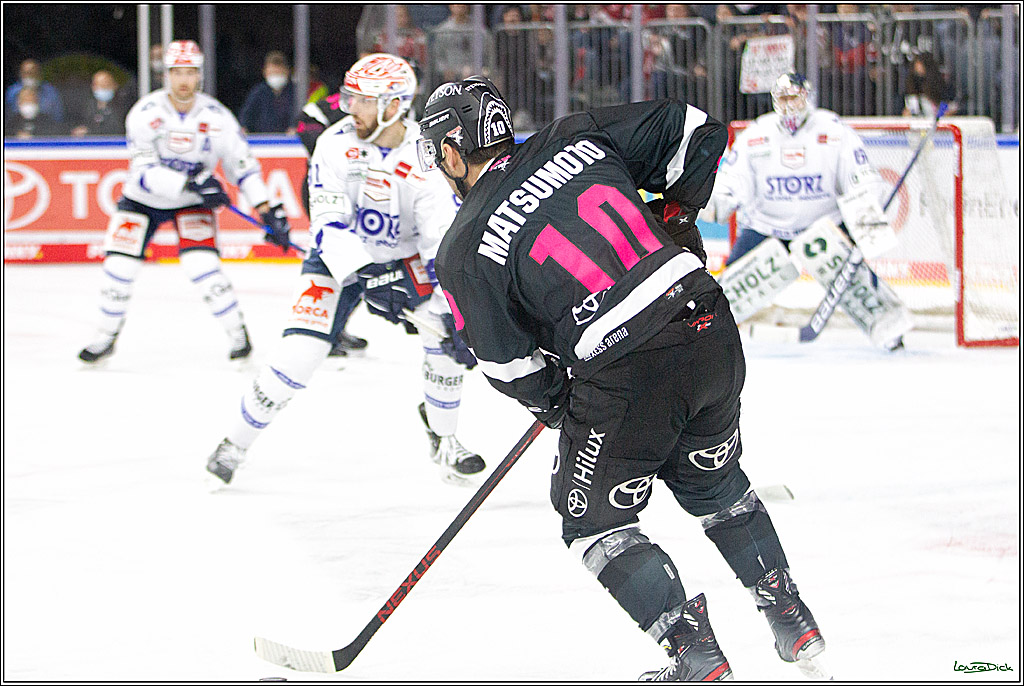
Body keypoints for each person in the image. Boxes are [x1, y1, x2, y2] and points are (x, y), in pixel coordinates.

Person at [419, 76, 828, 680]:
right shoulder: (571, 137)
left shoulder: (464, 248)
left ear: (453, 149)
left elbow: (508, 367)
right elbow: (699, 129)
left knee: (592, 521)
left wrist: (564, 404)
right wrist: (679, 211)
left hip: (627, 372)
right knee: (713, 484)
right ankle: (792, 617)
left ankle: (694, 654)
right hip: (709, 327)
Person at [205, 54, 486, 487]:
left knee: (444, 334)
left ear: (393, 106)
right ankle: (234, 444)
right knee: (299, 356)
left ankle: (446, 439)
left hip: (404, 259)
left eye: (360, 100)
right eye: (349, 97)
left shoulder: (426, 155)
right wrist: (370, 275)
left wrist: (455, 309)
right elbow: (329, 225)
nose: (347, 107)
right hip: (338, 261)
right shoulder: (334, 144)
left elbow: (440, 239)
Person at [77, 40, 291, 364]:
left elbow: (243, 165)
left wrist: (266, 209)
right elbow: (145, 172)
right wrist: (191, 182)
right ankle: (105, 336)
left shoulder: (218, 117)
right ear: (166, 74)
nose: (183, 80)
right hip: (142, 200)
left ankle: (238, 334)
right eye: (177, 72)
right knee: (118, 268)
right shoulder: (145, 114)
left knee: (203, 267)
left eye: (190, 72)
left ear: (200, 75)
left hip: (192, 201)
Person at [702, 73, 910, 350]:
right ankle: (707, 337)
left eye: (794, 97)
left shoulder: (834, 131)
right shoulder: (756, 135)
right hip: (767, 226)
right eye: (783, 98)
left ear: (806, 96)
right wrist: (718, 201)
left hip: (823, 226)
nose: (789, 104)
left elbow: (861, 176)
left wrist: (865, 213)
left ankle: (890, 330)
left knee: (855, 281)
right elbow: (733, 180)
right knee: (730, 291)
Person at [295, 87, 369, 359]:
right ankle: (326, 331)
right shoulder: (342, 101)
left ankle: (335, 328)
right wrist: (336, 149)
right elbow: (303, 124)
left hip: (363, 195)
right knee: (339, 263)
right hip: (327, 189)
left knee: (360, 267)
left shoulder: (394, 109)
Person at [239, 51, 297, 134]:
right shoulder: (259, 91)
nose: (275, 76)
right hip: (262, 141)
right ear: (265, 73)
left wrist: (296, 129)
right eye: (272, 73)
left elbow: (303, 119)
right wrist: (243, 128)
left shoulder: (296, 93)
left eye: (278, 73)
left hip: (290, 142)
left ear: (287, 72)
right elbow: (246, 115)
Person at [5, 58, 66, 123]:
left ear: (39, 74)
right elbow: (8, 115)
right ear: (21, 74)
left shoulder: (50, 91)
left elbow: (58, 115)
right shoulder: (12, 91)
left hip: (46, 127)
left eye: (33, 73)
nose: (30, 76)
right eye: (27, 73)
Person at [71, 70, 128, 136]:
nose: (102, 88)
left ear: (114, 86)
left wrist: (90, 132)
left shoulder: (122, 107)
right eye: (98, 85)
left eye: (105, 85)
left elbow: (118, 130)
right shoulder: (88, 107)